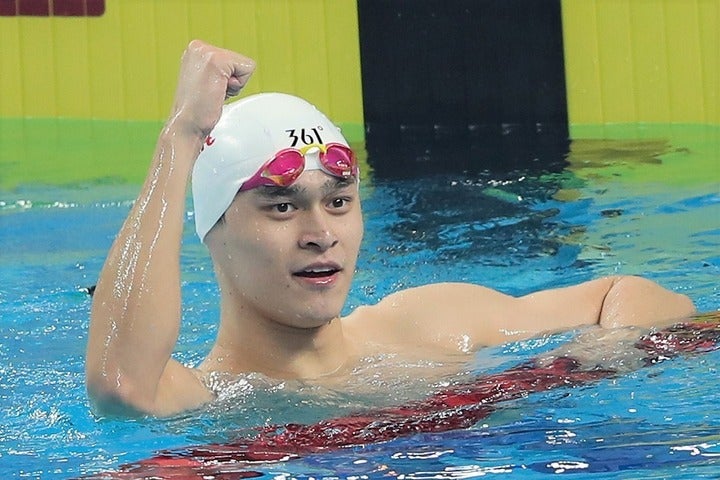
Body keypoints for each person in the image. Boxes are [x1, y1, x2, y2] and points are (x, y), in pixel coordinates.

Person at [85, 40, 696, 417]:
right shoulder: (210, 403)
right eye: (281, 207)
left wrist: (608, 348)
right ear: (214, 230)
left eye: (340, 201)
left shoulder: (431, 324)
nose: (320, 232)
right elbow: (122, 385)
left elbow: (632, 294)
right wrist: (182, 136)